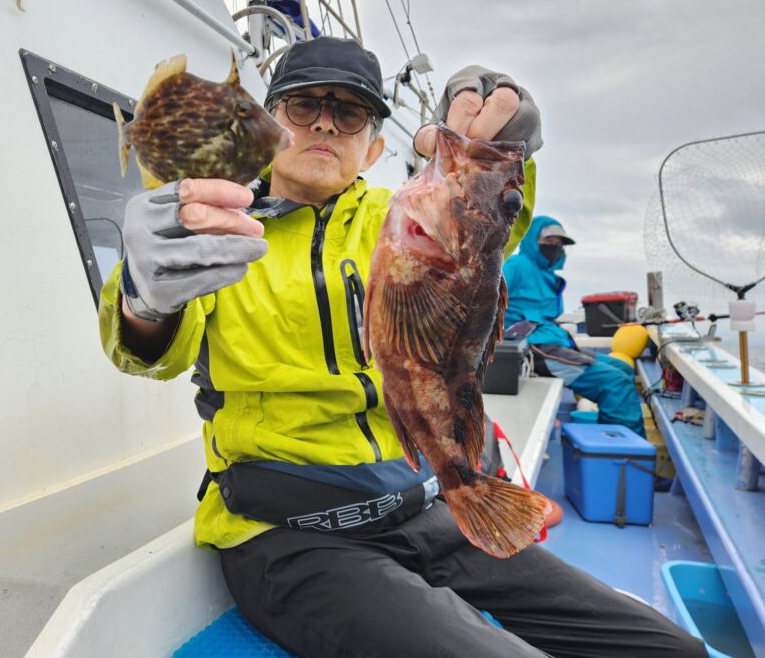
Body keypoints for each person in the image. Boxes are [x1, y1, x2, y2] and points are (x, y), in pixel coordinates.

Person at [99, 37, 705, 657]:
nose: (325, 124)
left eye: (351, 114)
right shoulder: (217, 224)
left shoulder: (403, 217)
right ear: (269, 124)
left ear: (377, 147)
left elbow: (491, 219)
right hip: (290, 534)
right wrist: (145, 300)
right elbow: (150, 354)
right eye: (303, 106)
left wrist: (499, 145)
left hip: (425, 506)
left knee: (671, 650)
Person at [502, 217, 647, 438]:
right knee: (614, 382)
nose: (555, 246)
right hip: (535, 347)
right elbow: (487, 297)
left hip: (553, 341)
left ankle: (615, 437)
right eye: (548, 239)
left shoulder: (546, 274)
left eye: (560, 242)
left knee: (623, 369)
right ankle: (623, 452)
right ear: (533, 240)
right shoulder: (516, 265)